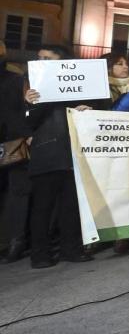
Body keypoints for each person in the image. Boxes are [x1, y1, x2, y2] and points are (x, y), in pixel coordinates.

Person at [23, 45, 110, 268]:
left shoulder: (82, 87)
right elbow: (26, 121)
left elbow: (101, 110)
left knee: (71, 204)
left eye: (47, 58)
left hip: (75, 153)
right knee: (43, 206)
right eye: (39, 57)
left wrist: (87, 108)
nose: (40, 60)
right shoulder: (30, 85)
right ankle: (40, 254)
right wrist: (32, 103)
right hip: (47, 153)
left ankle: (71, 249)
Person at [0, 43, 31, 263]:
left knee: (16, 194)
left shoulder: (15, 80)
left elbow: (21, 112)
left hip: (12, 144)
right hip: (12, 140)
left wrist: (25, 135)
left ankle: (14, 240)